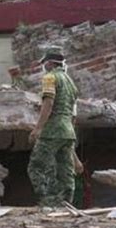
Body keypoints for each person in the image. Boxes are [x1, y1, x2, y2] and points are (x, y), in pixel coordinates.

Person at [28, 46, 78, 207]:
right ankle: (66, 202)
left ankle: (48, 201)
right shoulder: (71, 83)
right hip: (68, 131)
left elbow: (48, 102)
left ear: (49, 63)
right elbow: (73, 115)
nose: (44, 66)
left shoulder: (50, 78)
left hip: (52, 130)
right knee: (65, 169)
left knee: (37, 166)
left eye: (44, 63)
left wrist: (38, 128)